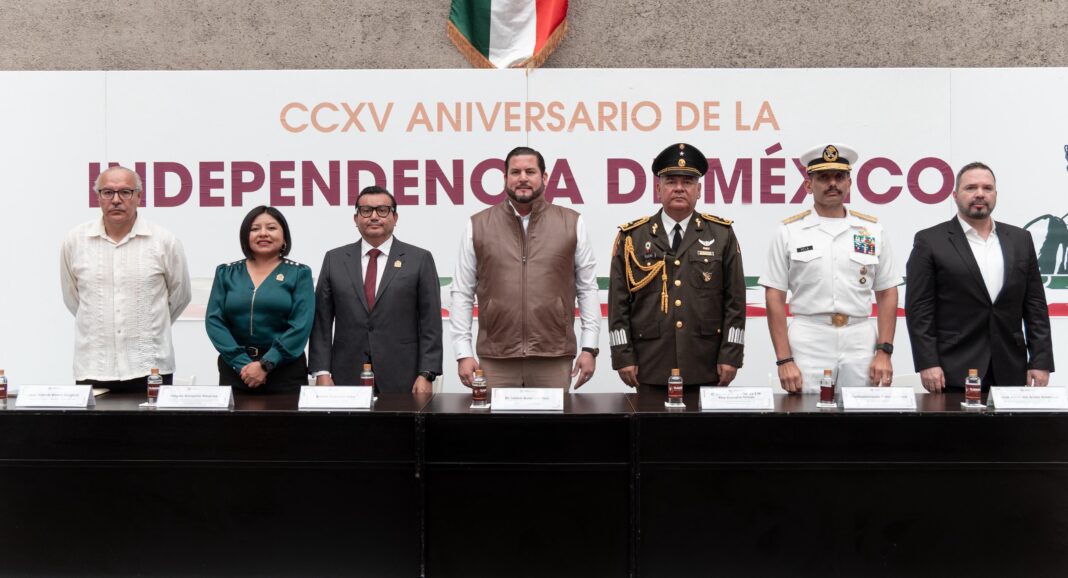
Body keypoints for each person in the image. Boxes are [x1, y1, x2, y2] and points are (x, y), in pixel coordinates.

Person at [452, 146, 599, 390]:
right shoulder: (478, 225)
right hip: (496, 358)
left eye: (530, 171)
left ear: (544, 178)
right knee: (496, 429)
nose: (522, 178)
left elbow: (587, 288)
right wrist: (462, 352)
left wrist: (589, 348)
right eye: (515, 172)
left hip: (553, 355)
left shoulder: (572, 222)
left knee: (551, 429)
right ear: (505, 178)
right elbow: (462, 292)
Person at [759, 144, 900, 392]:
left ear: (849, 183)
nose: (832, 183)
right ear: (808, 185)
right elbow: (774, 296)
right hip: (809, 338)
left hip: (860, 337)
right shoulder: (789, 231)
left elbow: (888, 292)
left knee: (863, 417)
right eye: (823, 177)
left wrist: (884, 351)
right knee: (808, 417)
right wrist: (784, 360)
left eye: (839, 177)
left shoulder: (871, 231)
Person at [608, 143, 745, 392]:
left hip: (705, 361)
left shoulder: (722, 235)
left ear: (699, 190)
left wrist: (731, 354)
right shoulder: (632, 237)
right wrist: (623, 355)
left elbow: (735, 301)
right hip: (650, 362)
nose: (680, 188)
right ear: (658, 189)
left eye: (688, 181)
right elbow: (618, 303)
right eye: (671, 181)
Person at [905, 162, 1054, 391]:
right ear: (955, 195)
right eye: (971, 187)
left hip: (1011, 367)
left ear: (995, 194)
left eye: (987, 188)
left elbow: (1035, 306)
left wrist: (1041, 361)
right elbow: (919, 309)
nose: (980, 194)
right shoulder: (930, 241)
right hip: (952, 368)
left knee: (1012, 429)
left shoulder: (1020, 239)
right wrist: (928, 362)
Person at [60, 165, 191, 392]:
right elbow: (74, 299)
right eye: (108, 192)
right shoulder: (75, 241)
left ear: (139, 196)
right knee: (92, 429)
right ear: (98, 197)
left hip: (150, 367)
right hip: (94, 366)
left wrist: (148, 325)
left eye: (125, 192)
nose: (116, 200)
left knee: (151, 429)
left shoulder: (163, 241)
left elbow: (180, 296)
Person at [309, 186, 443, 394]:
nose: (373, 216)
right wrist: (322, 372)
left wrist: (427, 373)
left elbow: (430, 322)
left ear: (395, 217)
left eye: (382, 210)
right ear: (355, 218)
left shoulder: (419, 259)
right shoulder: (334, 259)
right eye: (366, 210)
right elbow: (321, 322)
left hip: (404, 375)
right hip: (345, 373)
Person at [205, 206, 314, 393]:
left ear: (284, 236)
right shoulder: (226, 273)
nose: (263, 233)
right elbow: (214, 321)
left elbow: (300, 326)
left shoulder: (299, 273)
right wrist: (242, 364)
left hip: (284, 370)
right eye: (255, 229)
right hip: (237, 370)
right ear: (245, 236)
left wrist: (266, 364)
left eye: (271, 228)